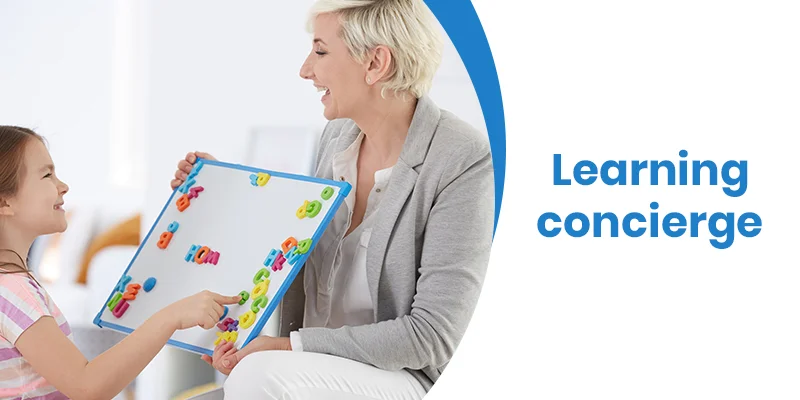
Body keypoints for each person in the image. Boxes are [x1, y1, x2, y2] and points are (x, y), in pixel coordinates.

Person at [171, 0, 494, 398]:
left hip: (402, 378)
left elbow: (430, 336)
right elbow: (290, 241)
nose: (306, 69)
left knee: (258, 376)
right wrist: (223, 193)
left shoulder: (461, 157)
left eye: (320, 51)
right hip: (302, 371)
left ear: (376, 63)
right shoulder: (339, 137)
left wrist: (287, 347)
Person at [0, 125, 242, 400]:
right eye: (47, 175)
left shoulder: (12, 286)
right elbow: (86, 386)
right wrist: (171, 316)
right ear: (4, 202)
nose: (63, 186)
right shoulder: (14, 291)